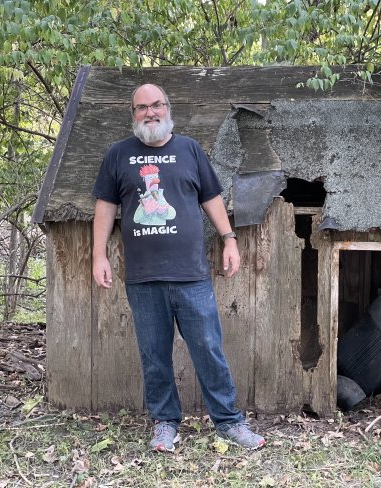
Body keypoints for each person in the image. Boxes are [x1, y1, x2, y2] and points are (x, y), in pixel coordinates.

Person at [92, 83, 265, 452]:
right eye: (141, 108)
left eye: (156, 105)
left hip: (191, 275)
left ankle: (230, 423)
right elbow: (105, 207)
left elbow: (211, 198)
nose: (150, 113)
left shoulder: (189, 150)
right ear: (133, 114)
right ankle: (164, 423)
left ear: (168, 109)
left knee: (208, 348)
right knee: (154, 355)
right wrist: (98, 255)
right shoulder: (117, 155)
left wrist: (230, 239)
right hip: (143, 277)